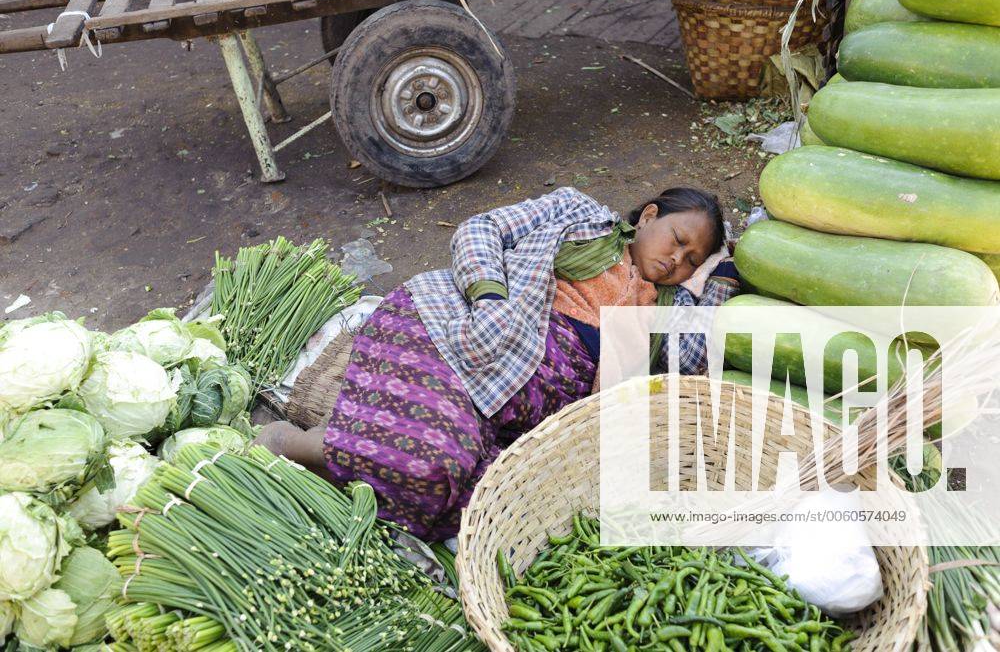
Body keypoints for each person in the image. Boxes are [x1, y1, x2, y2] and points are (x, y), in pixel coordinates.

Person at [255, 186, 740, 540]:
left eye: (690, 259)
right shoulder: (581, 215)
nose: (675, 258)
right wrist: (489, 296)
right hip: (456, 334)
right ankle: (292, 444)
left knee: (472, 493)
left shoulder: (662, 310)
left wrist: (721, 271)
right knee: (431, 461)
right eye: (676, 238)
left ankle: (339, 446)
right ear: (649, 215)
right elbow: (481, 229)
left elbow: (694, 352)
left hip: (502, 406)